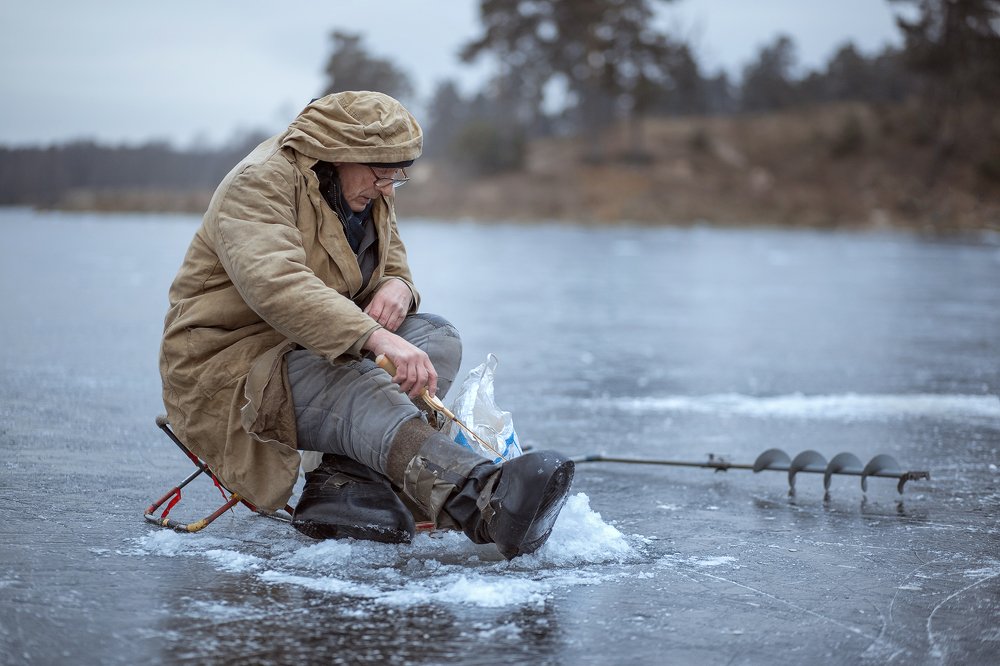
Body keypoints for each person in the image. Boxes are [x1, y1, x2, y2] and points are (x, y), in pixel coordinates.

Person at [158, 91, 573, 559]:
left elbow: (392, 259)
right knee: (361, 383)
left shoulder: (366, 185)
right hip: (232, 369)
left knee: (435, 339)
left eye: (399, 175)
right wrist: (375, 337)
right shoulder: (258, 185)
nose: (390, 188)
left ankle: (346, 482)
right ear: (336, 155)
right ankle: (481, 498)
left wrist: (399, 284)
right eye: (382, 173)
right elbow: (278, 284)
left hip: (315, 344)